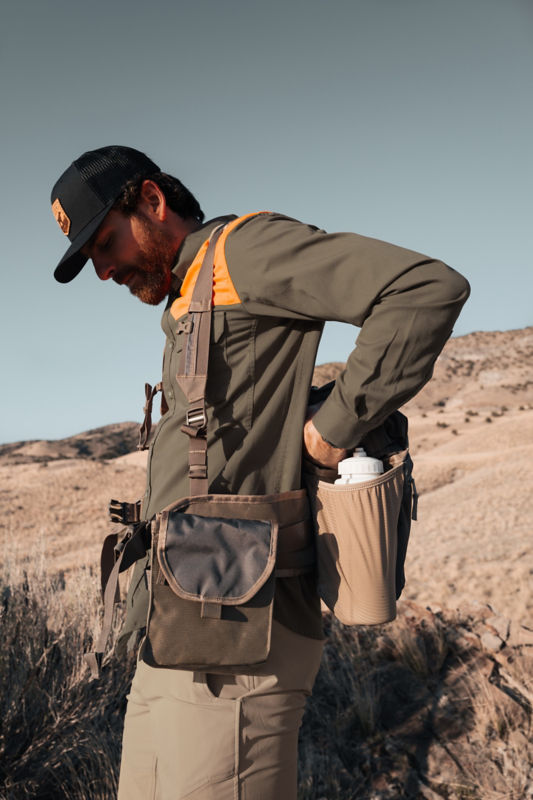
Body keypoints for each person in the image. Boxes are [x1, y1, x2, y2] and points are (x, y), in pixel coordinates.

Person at [51, 145, 470, 800]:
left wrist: (332, 431)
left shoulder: (244, 254)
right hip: (178, 630)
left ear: (153, 201)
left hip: (237, 639)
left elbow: (424, 288)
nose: (104, 269)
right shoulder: (191, 291)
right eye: (93, 259)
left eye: (106, 242)